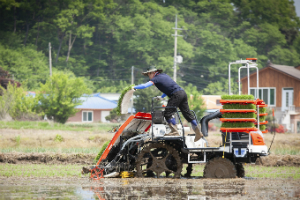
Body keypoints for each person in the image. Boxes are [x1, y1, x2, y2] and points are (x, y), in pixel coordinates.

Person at [133, 66, 204, 142]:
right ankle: (198, 132)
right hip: (182, 93)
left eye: (148, 75)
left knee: (167, 113)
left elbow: (144, 86)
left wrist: (134, 87)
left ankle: (175, 131)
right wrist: (162, 96)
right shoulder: (164, 75)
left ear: (152, 73)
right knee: (187, 114)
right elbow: (168, 87)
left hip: (176, 95)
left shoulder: (155, 78)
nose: (149, 77)